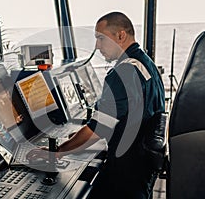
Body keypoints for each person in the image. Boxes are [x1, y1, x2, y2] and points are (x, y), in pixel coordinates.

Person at [27, 11, 165, 199]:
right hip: (142, 168)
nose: (97, 46)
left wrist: (58, 152)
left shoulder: (123, 73)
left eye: (101, 38)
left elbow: (97, 130)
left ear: (121, 35)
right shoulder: (146, 64)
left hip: (125, 173)